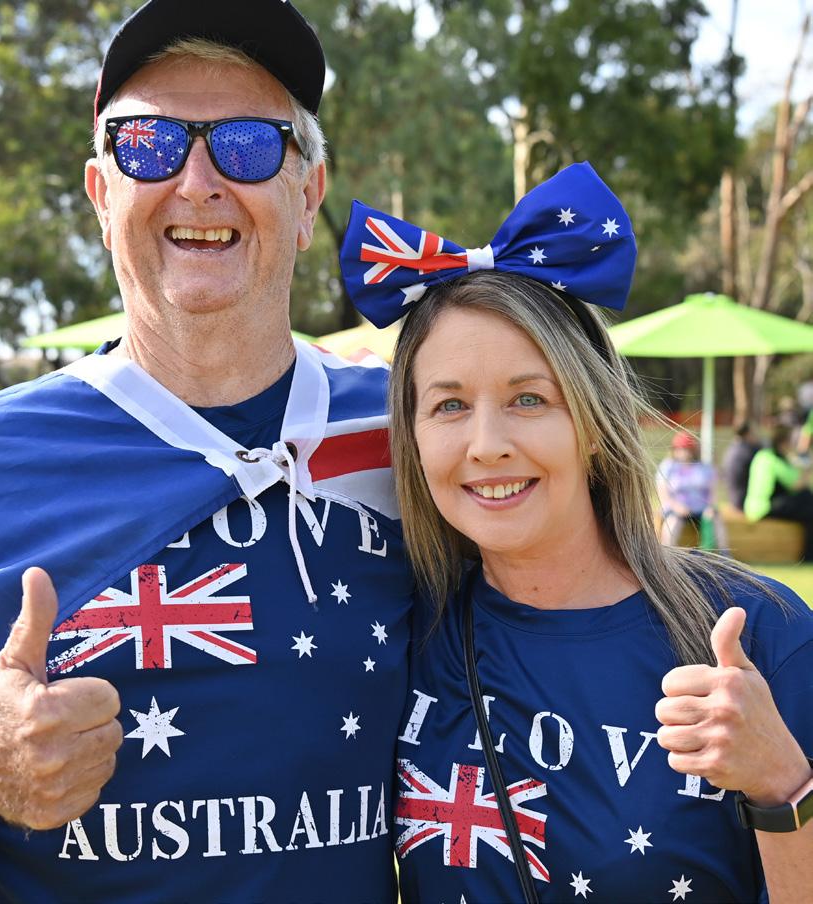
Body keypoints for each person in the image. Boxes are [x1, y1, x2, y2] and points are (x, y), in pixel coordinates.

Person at [0, 2, 413, 901]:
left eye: (247, 145)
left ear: (309, 195)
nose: (197, 183)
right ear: (101, 195)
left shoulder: (407, 434)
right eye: (150, 145)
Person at [339, 163, 813, 903]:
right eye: (449, 406)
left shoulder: (760, 630)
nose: (486, 445)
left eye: (529, 399)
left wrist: (781, 785)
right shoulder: (394, 633)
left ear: (593, 424)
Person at [744, 424, 813, 560]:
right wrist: (809, 468)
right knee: (808, 501)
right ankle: (809, 555)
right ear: (784, 443)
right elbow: (797, 485)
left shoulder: (763, 455)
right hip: (764, 508)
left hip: (753, 506)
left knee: (807, 499)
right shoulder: (774, 459)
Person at [655, 431, 728, 549]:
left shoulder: (704, 467)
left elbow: (712, 491)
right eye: (680, 449)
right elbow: (663, 494)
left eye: (687, 449)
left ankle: (722, 554)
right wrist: (676, 506)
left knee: (716, 521)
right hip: (676, 510)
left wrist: (711, 507)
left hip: (701, 509)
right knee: (672, 524)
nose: (684, 452)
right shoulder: (668, 467)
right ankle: (667, 553)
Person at [721, 421, 761, 511]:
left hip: (733, 498)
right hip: (743, 501)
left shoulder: (731, 449)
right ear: (748, 434)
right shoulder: (749, 450)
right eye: (754, 433)